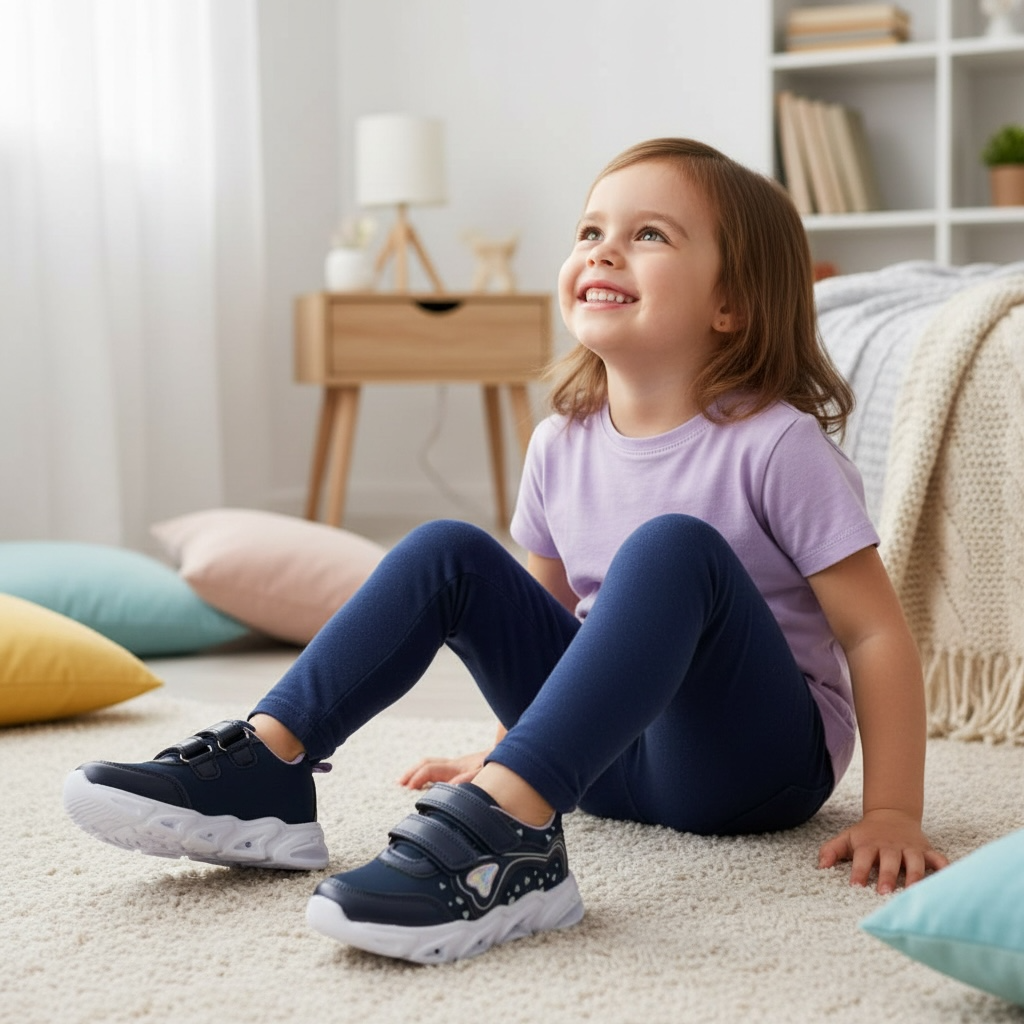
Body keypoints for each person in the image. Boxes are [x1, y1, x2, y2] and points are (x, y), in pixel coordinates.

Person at [63, 137, 948, 965]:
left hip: (748, 770)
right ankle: (271, 763)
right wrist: (504, 748)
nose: (604, 251)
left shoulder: (776, 444)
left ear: (733, 305)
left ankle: (511, 837)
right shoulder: (561, 443)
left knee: (670, 549)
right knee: (449, 548)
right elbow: (542, 619)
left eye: (648, 235)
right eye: (591, 232)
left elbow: (873, 633)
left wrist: (894, 811)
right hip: (600, 766)